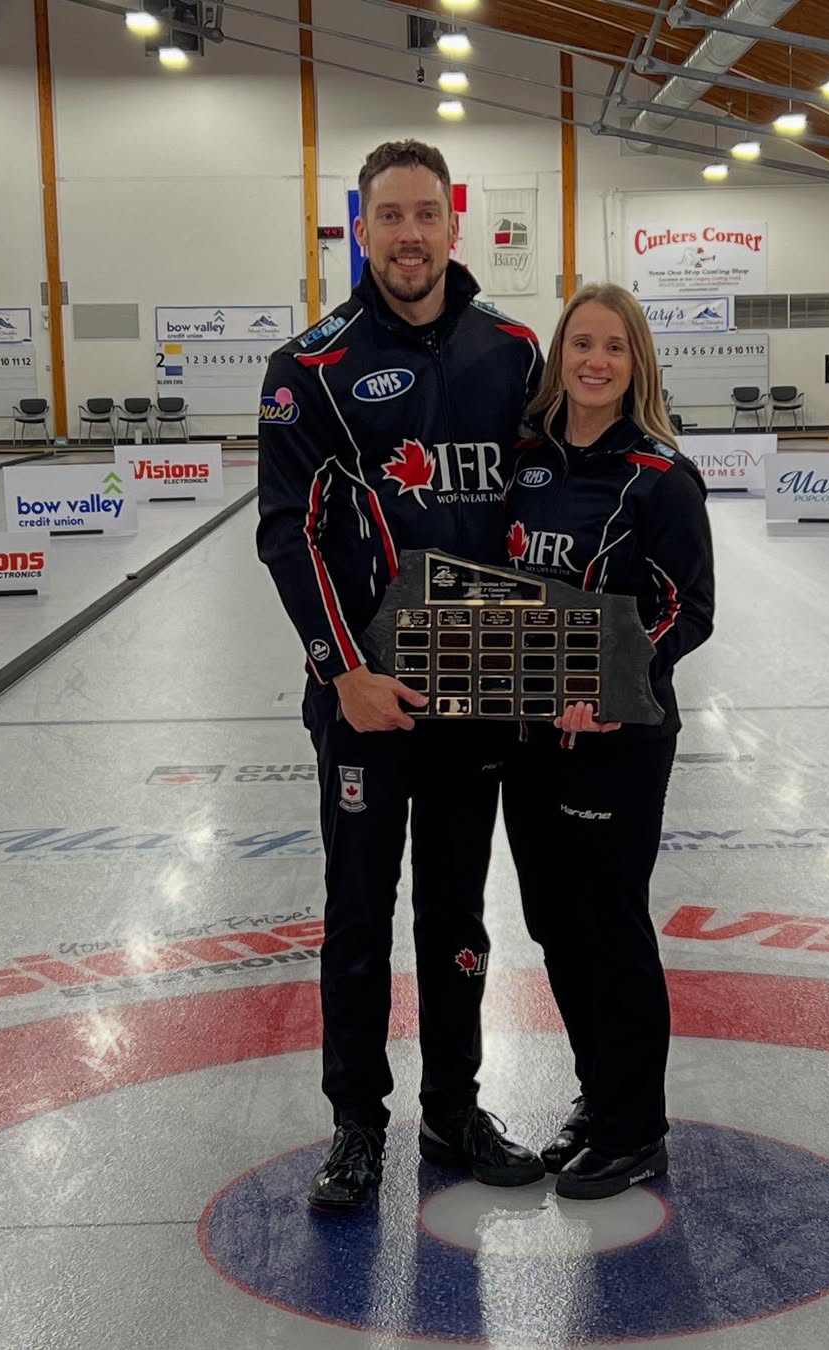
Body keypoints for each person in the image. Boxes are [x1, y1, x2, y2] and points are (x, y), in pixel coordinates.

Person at [256, 140, 545, 1211]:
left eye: (428, 214)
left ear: (454, 225)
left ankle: (456, 1111)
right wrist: (344, 677)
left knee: (458, 918)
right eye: (390, 216)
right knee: (357, 914)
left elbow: (548, 510)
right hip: (364, 708)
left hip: (475, 704)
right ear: (359, 227)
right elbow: (288, 536)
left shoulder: (514, 353)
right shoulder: (312, 370)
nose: (410, 234)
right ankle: (355, 1123)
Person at [502, 283, 714, 1200]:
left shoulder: (661, 476)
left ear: (638, 365)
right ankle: (601, 1093)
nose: (594, 361)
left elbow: (688, 611)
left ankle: (638, 1130)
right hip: (528, 733)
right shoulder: (527, 462)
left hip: (617, 740)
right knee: (553, 923)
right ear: (559, 355)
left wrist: (608, 687)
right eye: (580, 344)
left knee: (609, 923)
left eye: (614, 348)